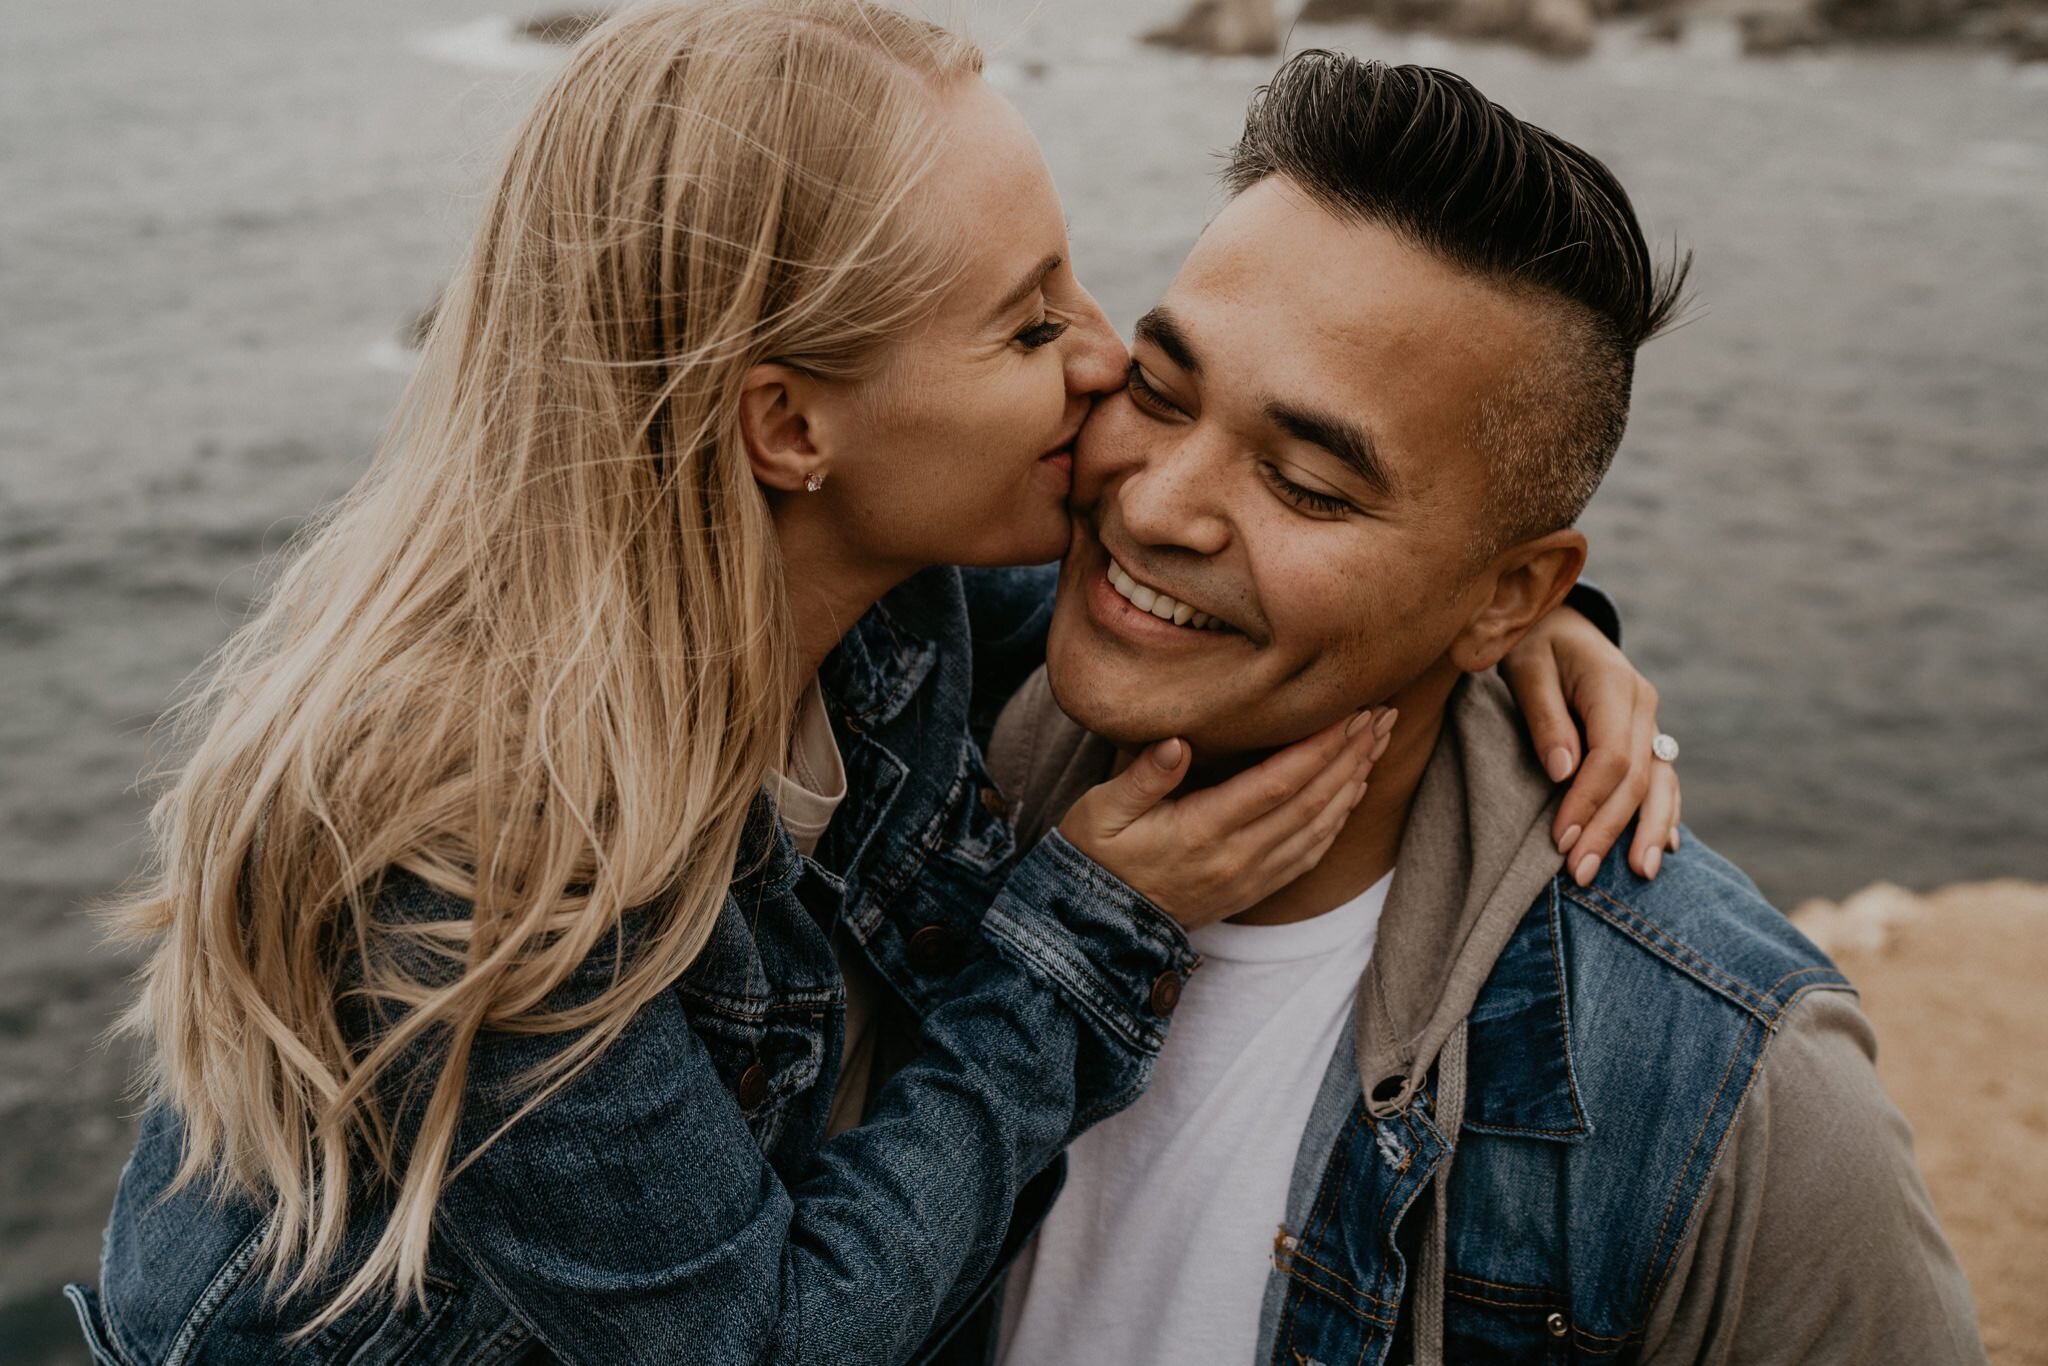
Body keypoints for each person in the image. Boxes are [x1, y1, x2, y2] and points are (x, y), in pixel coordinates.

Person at [70, 7, 1680, 1364]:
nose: (1106, 359)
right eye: (1027, 320)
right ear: (791, 429)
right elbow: (771, 1340)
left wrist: (1505, 610)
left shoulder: (883, 613)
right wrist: (1088, 927)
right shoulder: (476, 854)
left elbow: (1251, 575)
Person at [982, 54, 1985, 1366]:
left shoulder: (1724, 1094)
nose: (1157, 503)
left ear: (1512, 595)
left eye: (1307, 485)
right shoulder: (921, 742)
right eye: (1163, 393)